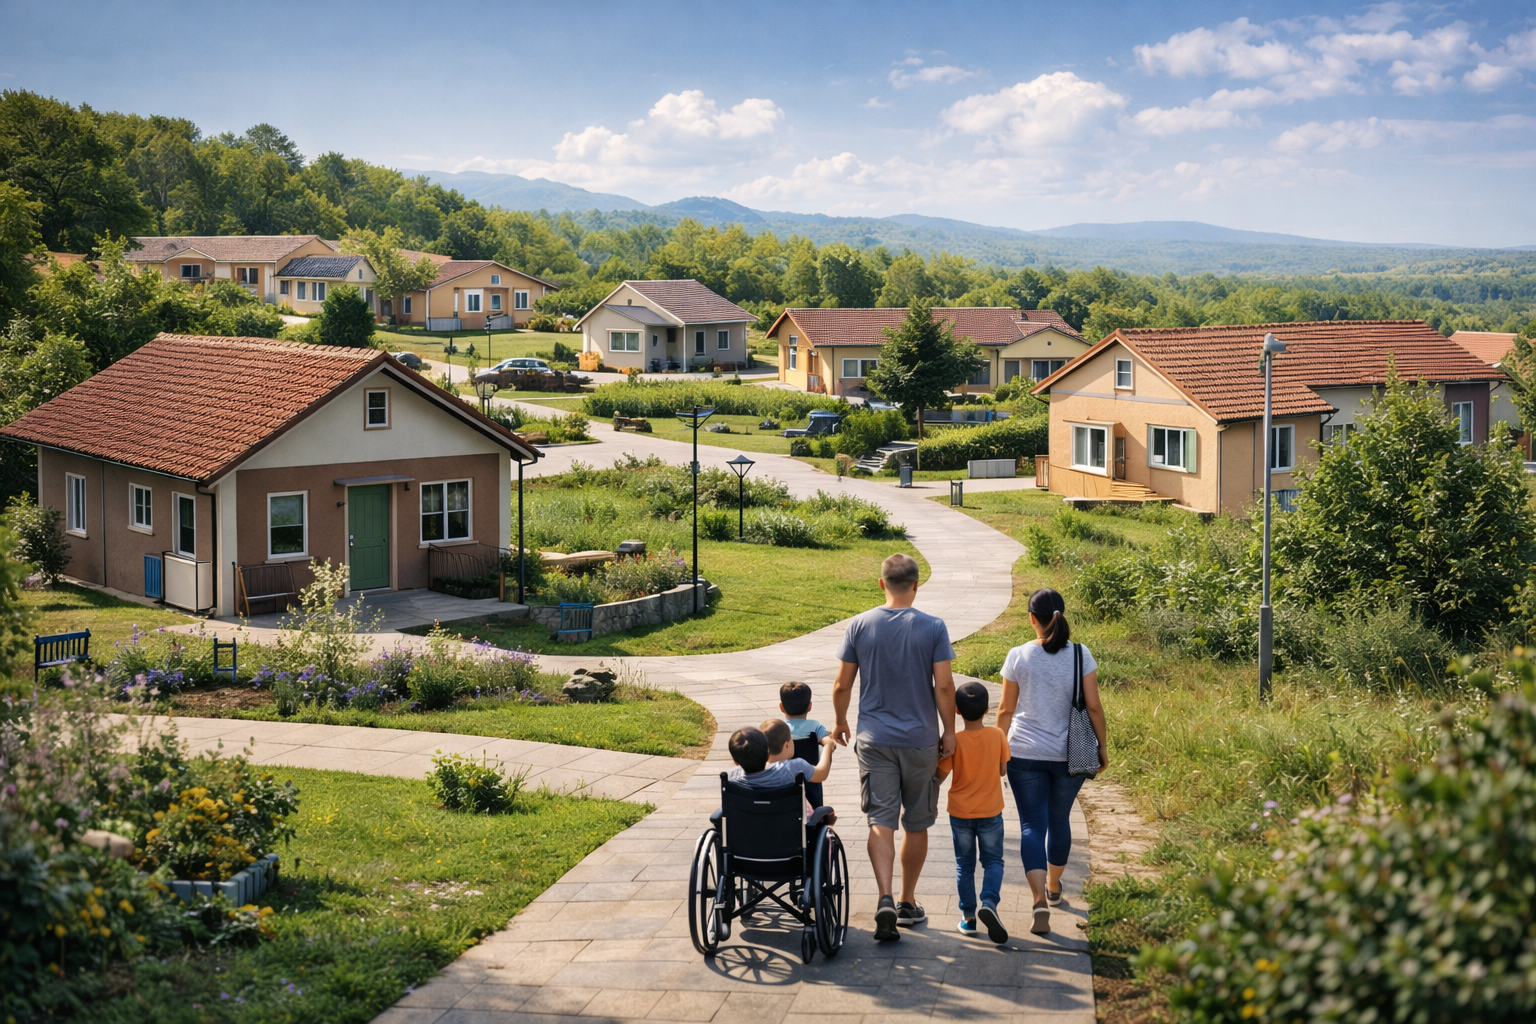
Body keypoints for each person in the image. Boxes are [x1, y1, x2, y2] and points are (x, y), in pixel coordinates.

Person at [832, 552, 958, 942]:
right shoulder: (934, 627)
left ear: (881, 584)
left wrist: (839, 721)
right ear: (916, 586)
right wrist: (949, 731)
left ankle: (884, 896)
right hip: (920, 741)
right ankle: (906, 900)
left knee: (880, 821)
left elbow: (841, 685)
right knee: (916, 822)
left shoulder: (859, 625)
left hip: (875, 741)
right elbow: (944, 686)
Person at [995, 588, 1109, 936]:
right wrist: (1102, 746)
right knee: (1059, 820)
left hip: (1024, 753)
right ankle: (1055, 888)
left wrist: (998, 751)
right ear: (1061, 615)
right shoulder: (1080, 654)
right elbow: (1093, 706)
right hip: (1069, 755)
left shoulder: (1018, 656)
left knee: (1032, 825)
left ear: (1032, 618)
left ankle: (1037, 900)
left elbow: (1005, 710)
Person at [936, 680, 1010, 944]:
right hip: (991, 810)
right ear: (987, 709)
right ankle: (988, 901)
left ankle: (968, 918)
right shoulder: (998, 736)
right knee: (993, 861)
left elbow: (940, 776)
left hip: (960, 813)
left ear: (957, 711)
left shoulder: (954, 742)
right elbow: (1002, 771)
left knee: (964, 864)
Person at [780, 681, 829, 808]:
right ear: (810, 706)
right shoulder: (815, 726)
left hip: (783, 779)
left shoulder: (779, 728)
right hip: (811, 778)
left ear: (781, 707)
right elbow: (827, 741)